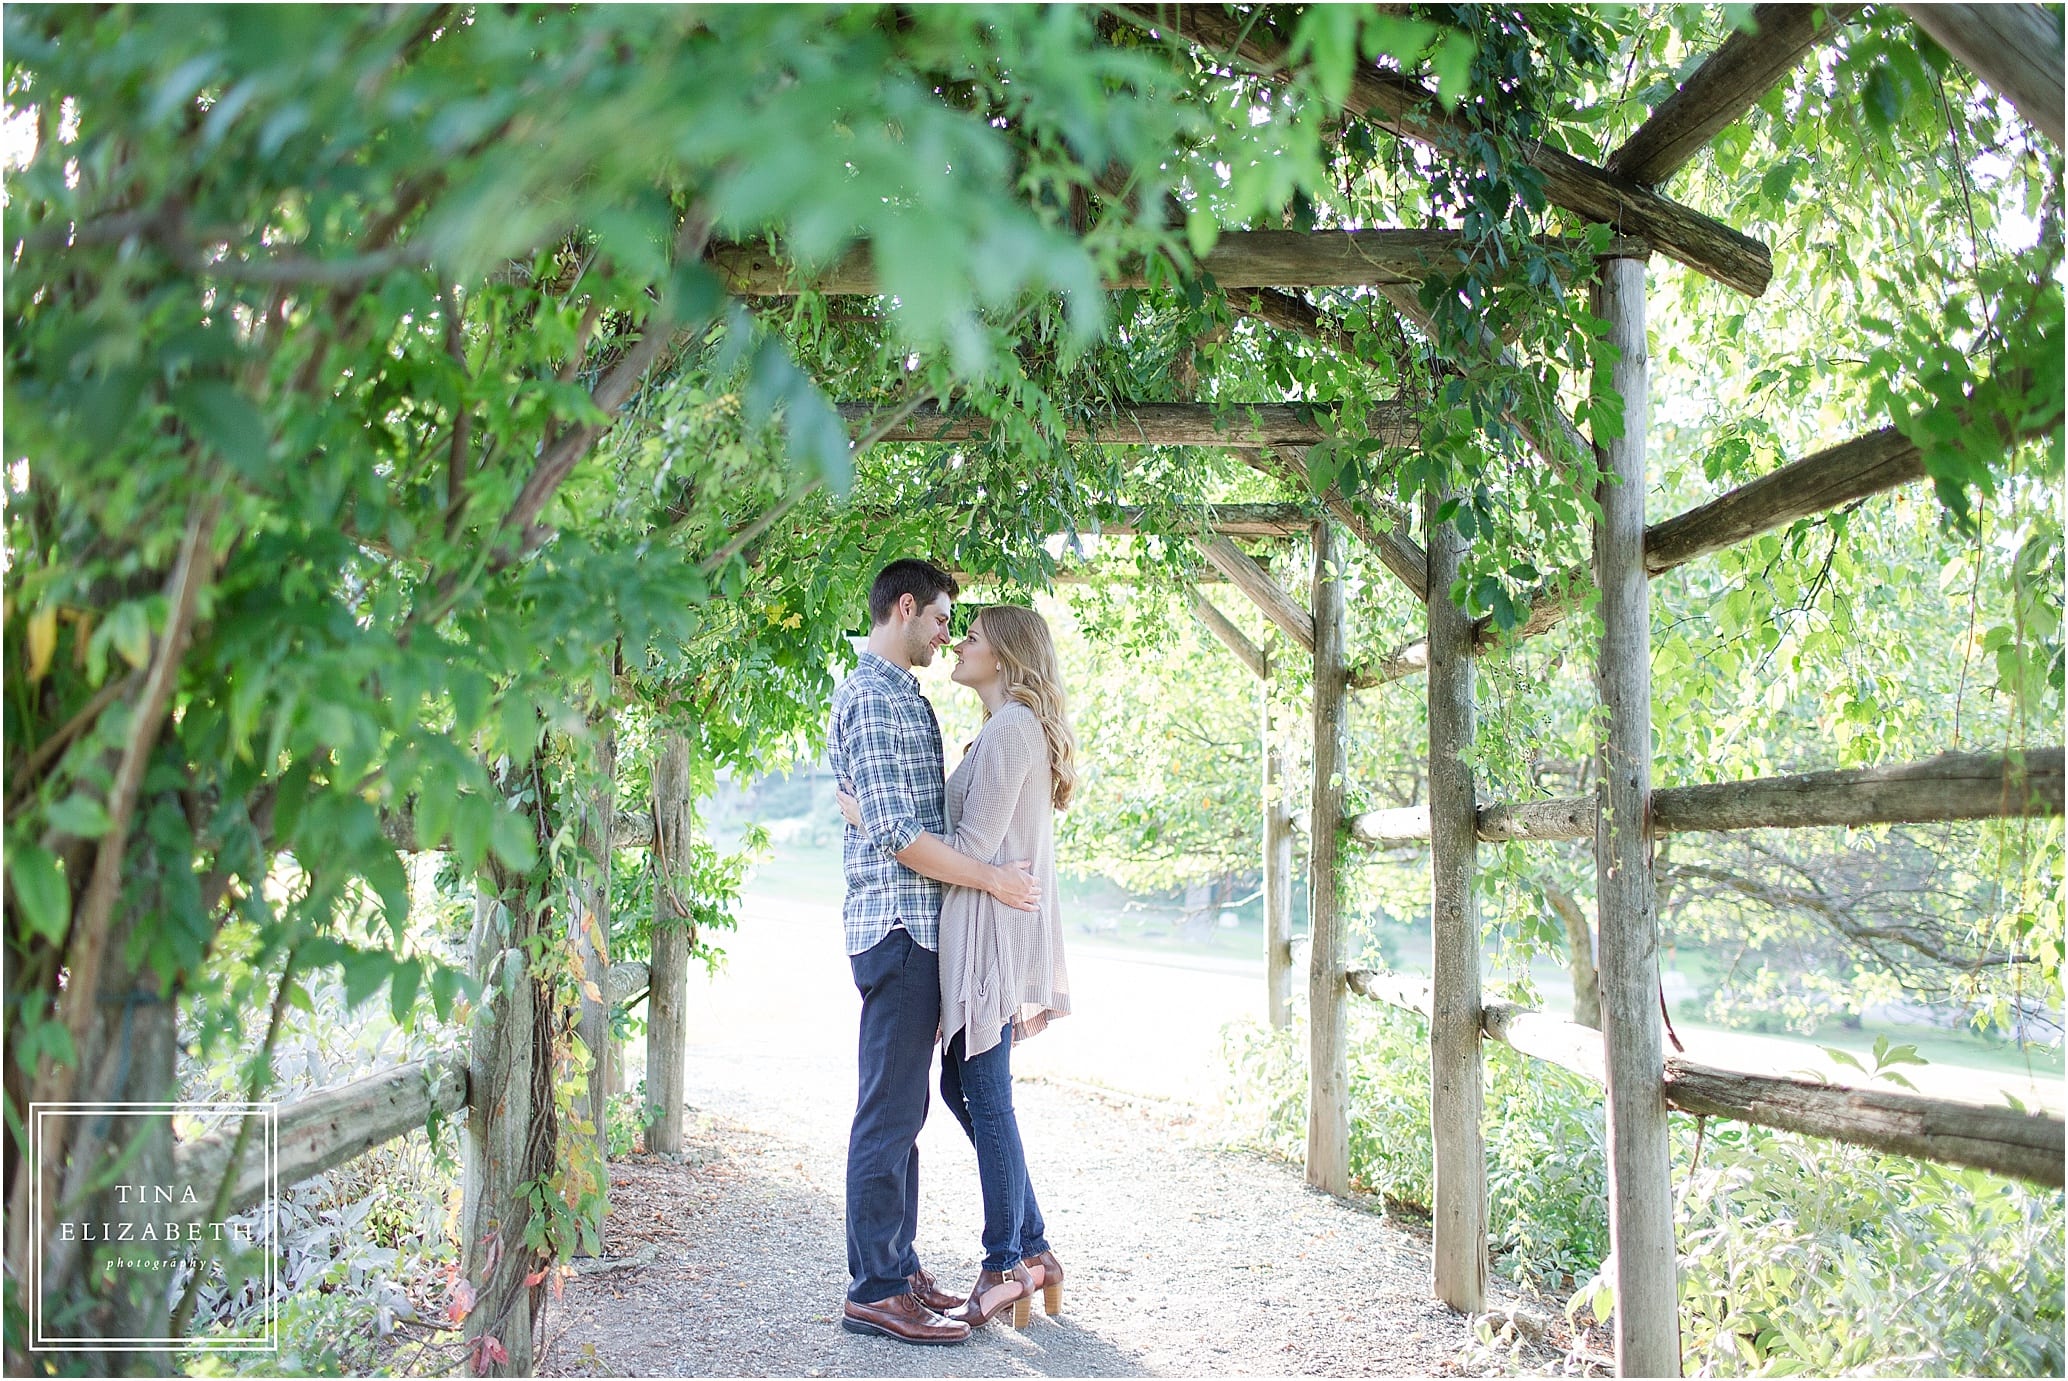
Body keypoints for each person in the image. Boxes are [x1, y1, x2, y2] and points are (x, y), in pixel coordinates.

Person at [838, 604, 1073, 1332]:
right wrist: (881, 819)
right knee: (965, 1084)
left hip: (988, 931)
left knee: (983, 1089)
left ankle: (1006, 1260)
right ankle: (1032, 1249)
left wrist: (875, 819)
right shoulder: (1000, 729)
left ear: (1003, 655)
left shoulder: (1011, 730)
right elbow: (973, 840)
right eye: (954, 627)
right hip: (978, 924)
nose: (957, 643)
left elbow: (969, 840)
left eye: (970, 635)